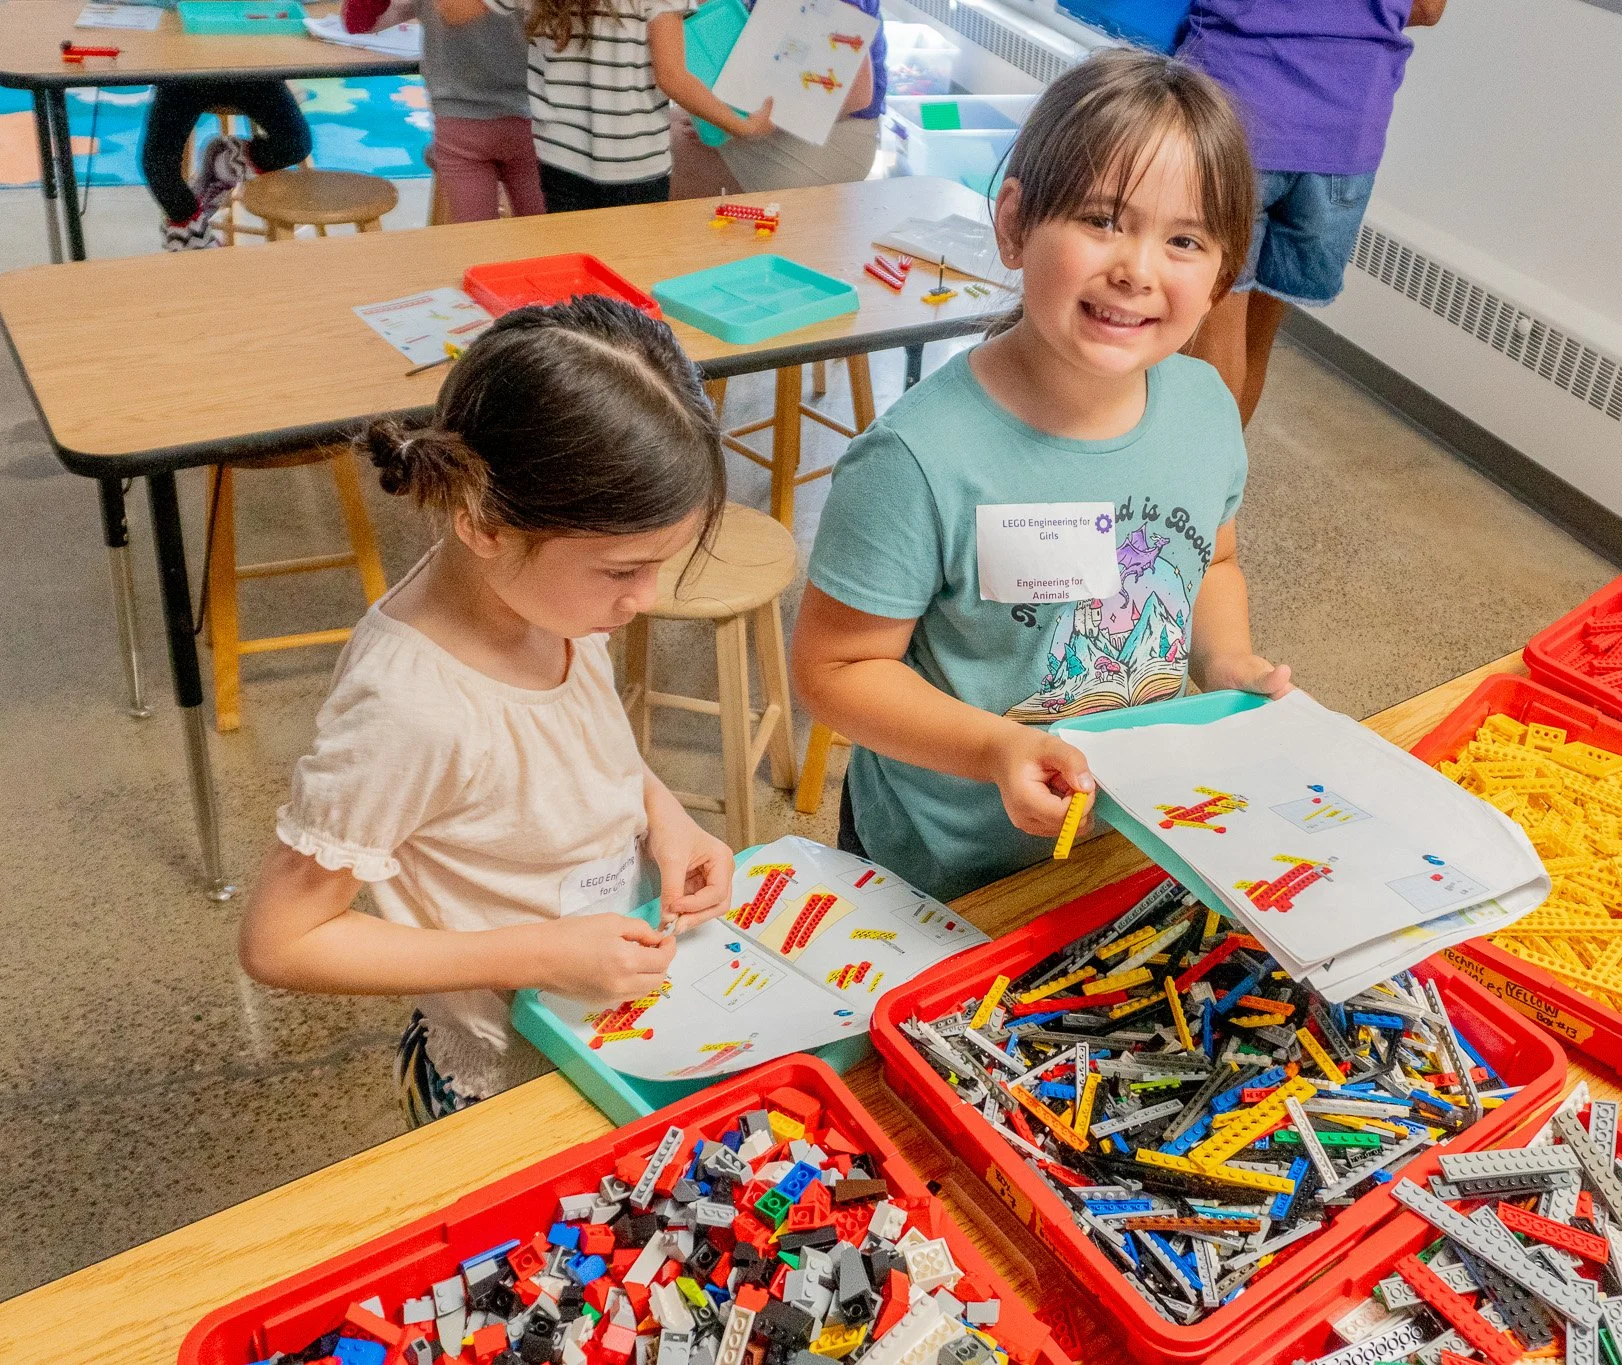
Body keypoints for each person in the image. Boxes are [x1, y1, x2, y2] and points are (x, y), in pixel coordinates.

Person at [790, 49, 1293, 904]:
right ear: (1015, 222)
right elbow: (835, 671)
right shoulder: (916, 459)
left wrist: (1229, 661)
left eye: (1183, 240)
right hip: (942, 871)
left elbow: (1210, 563)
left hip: (1127, 838)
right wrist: (996, 750)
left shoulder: (1207, 407)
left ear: (1222, 273)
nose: (1137, 269)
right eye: (1103, 220)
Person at [238, 297, 735, 1126]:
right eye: (624, 569)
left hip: (609, 1026)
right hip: (506, 1076)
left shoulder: (552, 603)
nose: (647, 598)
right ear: (483, 524)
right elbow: (281, 940)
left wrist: (664, 815)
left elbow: (578, 746)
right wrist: (536, 953)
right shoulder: (411, 709)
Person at [1180, 0, 1446, 425]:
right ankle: (1224, 467)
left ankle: (1192, 469)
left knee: (1205, 335)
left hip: (1238, 103)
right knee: (1254, 340)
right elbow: (1427, 9)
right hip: (1343, 137)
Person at [438, 0, 777, 213]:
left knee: (574, 277)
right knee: (630, 279)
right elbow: (672, 78)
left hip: (560, 160)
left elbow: (452, 10)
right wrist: (743, 126)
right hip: (635, 166)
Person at [344, 0, 546, 221]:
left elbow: (358, 22)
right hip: (534, 115)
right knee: (550, 230)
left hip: (461, 120)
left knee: (477, 236)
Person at [713, 0, 886, 192]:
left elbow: (856, 96)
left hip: (834, 129)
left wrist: (736, 121)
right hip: (779, 111)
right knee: (695, 134)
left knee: (699, 153)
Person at [141, 79, 311, 250]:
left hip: (251, 76)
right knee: (158, 166)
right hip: (185, 80)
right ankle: (194, 238)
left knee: (296, 144)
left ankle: (225, 163)